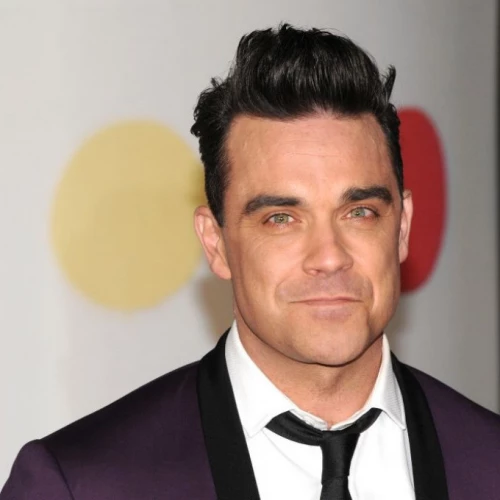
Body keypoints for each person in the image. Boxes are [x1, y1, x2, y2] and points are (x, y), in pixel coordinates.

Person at [2, 23, 499, 500]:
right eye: (281, 218)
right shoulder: (82, 485)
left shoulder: (490, 460)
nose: (329, 257)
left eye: (359, 212)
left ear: (403, 228)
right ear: (215, 242)